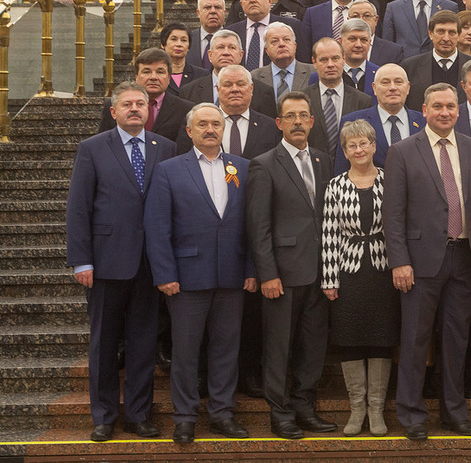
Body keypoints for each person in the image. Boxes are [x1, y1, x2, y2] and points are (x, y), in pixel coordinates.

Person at [66, 81, 175, 442]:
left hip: (150, 265)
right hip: (106, 263)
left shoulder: (166, 148)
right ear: (113, 112)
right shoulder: (92, 148)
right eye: (127, 104)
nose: (134, 109)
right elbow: (78, 207)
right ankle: (104, 415)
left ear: (149, 110)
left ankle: (139, 415)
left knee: (144, 342)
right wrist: (81, 261)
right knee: (104, 343)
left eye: (140, 104)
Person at [143, 103, 254, 444]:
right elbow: (157, 226)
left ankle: (222, 413)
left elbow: (253, 224)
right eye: (202, 124)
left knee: (226, 348)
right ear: (190, 131)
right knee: (186, 351)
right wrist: (165, 273)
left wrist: (251, 269)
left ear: (224, 129)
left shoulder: (243, 167)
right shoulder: (169, 170)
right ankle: (185, 417)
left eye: (216, 124)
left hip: (232, 275)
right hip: (187, 277)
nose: (210, 129)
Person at [384, 83, 471, 440]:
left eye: (450, 106)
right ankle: (412, 415)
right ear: (424, 110)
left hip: (464, 257)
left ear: (458, 110)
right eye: (437, 106)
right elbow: (393, 213)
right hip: (419, 261)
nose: (445, 112)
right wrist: (399, 261)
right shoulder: (402, 151)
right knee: (415, 339)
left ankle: (454, 412)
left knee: (457, 340)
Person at [245, 91, 337, 440]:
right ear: (279, 123)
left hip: (321, 272)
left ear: (312, 122)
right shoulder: (264, 164)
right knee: (279, 346)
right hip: (282, 274)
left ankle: (304, 408)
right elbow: (258, 226)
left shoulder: (324, 160)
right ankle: (280, 413)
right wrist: (267, 273)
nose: (297, 122)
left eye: (303, 116)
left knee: (313, 347)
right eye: (290, 116)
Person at [322, 119, 398, 437]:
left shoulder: (390, 180)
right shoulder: (335, 185)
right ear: (345, 151)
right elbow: (329, 234)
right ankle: (357, 410)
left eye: (363, 143)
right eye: (352, 145)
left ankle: (376, 411)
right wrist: (329, 279)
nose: (358, 149)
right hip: (348, 271)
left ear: (373, 145)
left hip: (384, 271)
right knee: (350, 337)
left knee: (381, 337)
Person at [334, 63, 426, 172]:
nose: (392, 88)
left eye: (398, 82)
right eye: (385, 82)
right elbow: (342, 169)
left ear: (408, 87)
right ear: (374, 88)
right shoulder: (353, 121)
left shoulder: (424, 122)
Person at [176, 64, 281, 158]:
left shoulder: (270, 128)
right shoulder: (195, 124)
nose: (234, 89)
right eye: (228, 85)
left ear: (251, 88)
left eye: (240, 84)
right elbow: (183, 160)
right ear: (218, 89)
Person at [179, 30, 279, 120]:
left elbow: (268, 128)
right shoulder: (189, 92)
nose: (226, 53)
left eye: (232, 48)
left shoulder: (263, 91)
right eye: (220, 47)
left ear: (241, 55)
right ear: (210, 55)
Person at [97, 48, 188, 142]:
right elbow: (104, 142)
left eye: (160, 72)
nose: (153, 77)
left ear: (169, 77)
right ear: (136, 76)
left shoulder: (184, 109)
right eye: (147, 72)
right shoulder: (114, 104)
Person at [306, 37, 374, 162]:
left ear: (344, 59)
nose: (330, 64)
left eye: (335, 58)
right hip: (313, 167)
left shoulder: (363, 101)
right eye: (324, 60)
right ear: (314, 62)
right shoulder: (303, 99)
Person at [227, 0, 304, 70]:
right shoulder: (231, 32)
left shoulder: (291, 26)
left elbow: (303, 62)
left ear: (269, 0)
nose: (252, 0)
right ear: (241, 4)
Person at [400, 10, 471, 108]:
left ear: (459, 35)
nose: (446, 38)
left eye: (451, 32)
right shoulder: (410, 67)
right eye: (440, 32)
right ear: (430, 34)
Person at [250, 22, 310, 108]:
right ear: (266, 50)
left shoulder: (313, 73)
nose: (281, 44)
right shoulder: (255, 77)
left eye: (286, 39)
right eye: (275, 41)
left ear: (295, 46)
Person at [348, 0, 404, 65]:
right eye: (355, 16)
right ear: (348, 20)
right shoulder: (340, 48)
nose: (361, 20)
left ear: (376, 20)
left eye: (367, 16)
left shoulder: (393, 51)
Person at [186, 0, 226, 70]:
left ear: (224, 12)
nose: (213, 11)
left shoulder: (235, 39)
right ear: (198, 13)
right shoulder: (187, 40)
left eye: (217, 7)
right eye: (207, 8)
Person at [160, 22, 199, 94]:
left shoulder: (201, 75)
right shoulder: (156, 75)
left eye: (183, 40)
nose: (179, 44)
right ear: (163, 44)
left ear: (189, 46)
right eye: (173, 39)